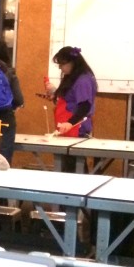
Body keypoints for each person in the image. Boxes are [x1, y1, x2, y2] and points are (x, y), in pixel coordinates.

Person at [46, 45, 98, 173]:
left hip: (76, 128)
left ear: (72, 62)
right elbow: (70, 98)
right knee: (67, 166)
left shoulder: (83, 80)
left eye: (62, 64)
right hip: (67, 127)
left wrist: (70, 123)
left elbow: (85, 106)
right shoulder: (71, 76)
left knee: (74, 167)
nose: (60, 68)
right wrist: (55, 95)